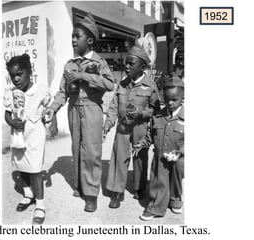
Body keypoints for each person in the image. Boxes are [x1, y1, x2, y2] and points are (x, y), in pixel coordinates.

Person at [43, 12, 114, 212]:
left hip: (92, 110)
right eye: (72, 37)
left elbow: (110, 83)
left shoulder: (99, 62)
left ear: (89, 40)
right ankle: (80, 186)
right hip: (74, 110)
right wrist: (52, 109)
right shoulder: (69, 64)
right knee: (77, 149)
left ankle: (91, 194)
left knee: (91, 152)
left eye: (77, 36)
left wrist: (84, 75)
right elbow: (62, 92)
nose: (73, 40)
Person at [103, 45, 159, 209]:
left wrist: (142, 114)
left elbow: (156, 111)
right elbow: (113, 106)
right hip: (122, 127)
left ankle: (139, 188)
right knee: (119, 157)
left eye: (131, 64)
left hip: (140, 128)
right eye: (126, 63)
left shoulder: (150, 86)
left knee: (140, 157)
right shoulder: (122, 84)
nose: (126, 67)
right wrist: (108, 123)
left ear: (142, 67)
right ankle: (116, 192)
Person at [3, 54, 52, 224]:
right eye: (12, 76)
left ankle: (40, 205)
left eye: (19, 74)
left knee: (35, 169)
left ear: (29, 72)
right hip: (18, 135)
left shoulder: (40, 90)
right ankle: (28, 195)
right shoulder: (11, 94)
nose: (16, 79)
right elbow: (7, 115)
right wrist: (12, 122)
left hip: (35, 134)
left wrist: (50, 120)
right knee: (21, 166)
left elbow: (48, 108)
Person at [138, 74, 184, 221]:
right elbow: (151, 134)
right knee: (158, 179)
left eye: (174, 100)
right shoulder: (158, 116)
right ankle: (156, 206)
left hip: (179, 157)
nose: (170, 103)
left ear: (182, 98)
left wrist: (180, 152)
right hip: (161, 156)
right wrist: (142, 144)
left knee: (177, 174)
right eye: (167, 99)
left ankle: (175, 199)